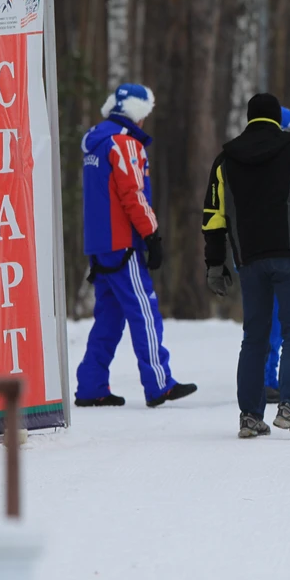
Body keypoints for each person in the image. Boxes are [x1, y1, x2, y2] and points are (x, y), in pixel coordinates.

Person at [202, 93, 290, 438]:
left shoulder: (225, 159)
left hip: (249, 259)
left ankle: (249, 415)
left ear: (248, 118)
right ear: (278, 119)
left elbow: (212, 218)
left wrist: (215, 262)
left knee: (254, 337)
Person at [75, 83, 197, 408]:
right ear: (138, 113)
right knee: (144, 312)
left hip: (98, 244)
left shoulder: (95, 142)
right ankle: (159, 384)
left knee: (109, 318)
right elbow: (133, 195)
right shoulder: (125, 144)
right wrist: (151, 234)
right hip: (123, 243)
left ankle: (91, 385)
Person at [263, 106, 290, 404]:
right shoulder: (281, 159)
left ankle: (265, 378)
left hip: (259, 249)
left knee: (268, 318)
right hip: (274, 250)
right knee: (273, 319)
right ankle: (265, 380)